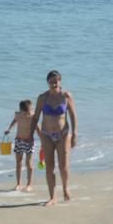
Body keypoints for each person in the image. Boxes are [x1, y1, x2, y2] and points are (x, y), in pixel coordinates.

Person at [31, 70, 77, 205]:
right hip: (46, 135)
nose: (53, 84)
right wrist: (31, 134)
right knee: (49, 167)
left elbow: (73, 116)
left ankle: (65, 187)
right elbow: (35, 117)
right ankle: (52, 197)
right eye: (51, 82)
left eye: (56, 81)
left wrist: (74, 134)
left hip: (63, 134)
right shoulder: (42, 98)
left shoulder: (66, 96)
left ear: (60, 81)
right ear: (47, 83)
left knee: (63, 167)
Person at [4, 99, 40, 191]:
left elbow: (38, 129)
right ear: (21, 110)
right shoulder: (18, 115)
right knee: (18, 162)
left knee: (28, 163)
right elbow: (14, 121)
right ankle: (18, 183)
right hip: (19, 140)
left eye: (28, 111)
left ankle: (29, 184)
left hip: (29, 142)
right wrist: (9, 128)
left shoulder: (33, 117)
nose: (26, 114)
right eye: (24, 112)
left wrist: (43, 141)